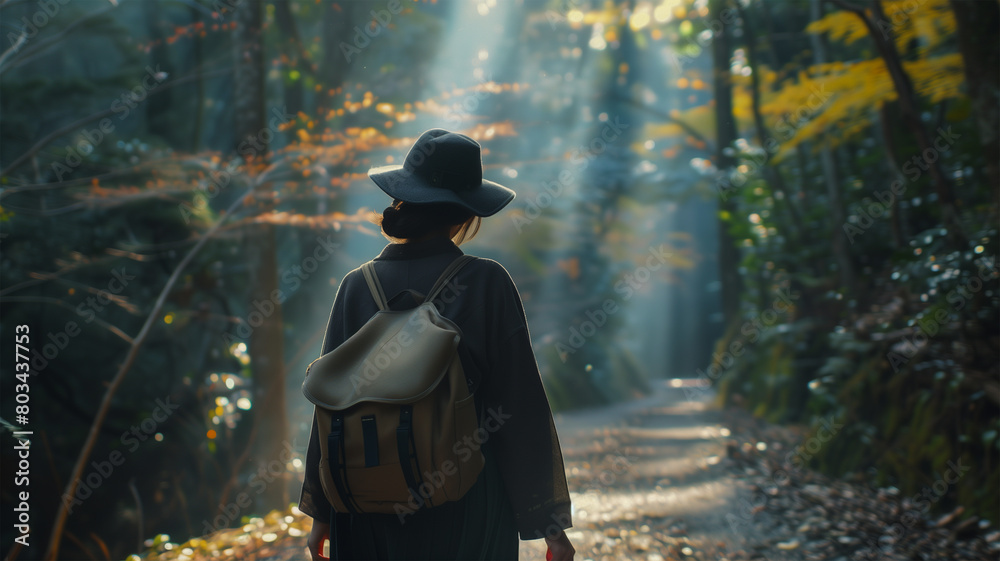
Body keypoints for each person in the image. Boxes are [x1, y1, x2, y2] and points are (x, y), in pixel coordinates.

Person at [300, 129, 575, 560]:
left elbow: (329, 404)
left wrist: (322, 512)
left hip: (363, 506)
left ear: (403, 198)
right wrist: (549, 523)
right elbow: (519, 408)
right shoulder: (486, 283)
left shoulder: (355, 287)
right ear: (465, 215)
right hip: (462, 501)